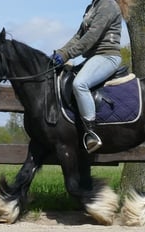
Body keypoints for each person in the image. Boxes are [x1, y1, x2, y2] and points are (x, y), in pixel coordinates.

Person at [52, 0, 122, 153]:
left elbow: (91, 36)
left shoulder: (108, 5)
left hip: (107, 56)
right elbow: (78, 36)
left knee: (80, 84)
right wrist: (60, 52)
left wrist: (67, 55)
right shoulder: (91, 7)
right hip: (92, 58)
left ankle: (91, 133)